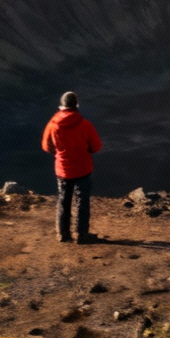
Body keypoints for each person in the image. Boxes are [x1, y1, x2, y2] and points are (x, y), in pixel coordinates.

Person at [42, 91, 103, 243]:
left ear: (61, 106)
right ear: (76, 106)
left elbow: (46, 146)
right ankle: (82, 235)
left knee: (63, 201)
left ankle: (63, 234)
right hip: (83, 169)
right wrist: (86, 150)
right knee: (82, 202)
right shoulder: (85, 125)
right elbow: (96, 147)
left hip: (63, 170)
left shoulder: (53, 125)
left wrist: (58, 153)